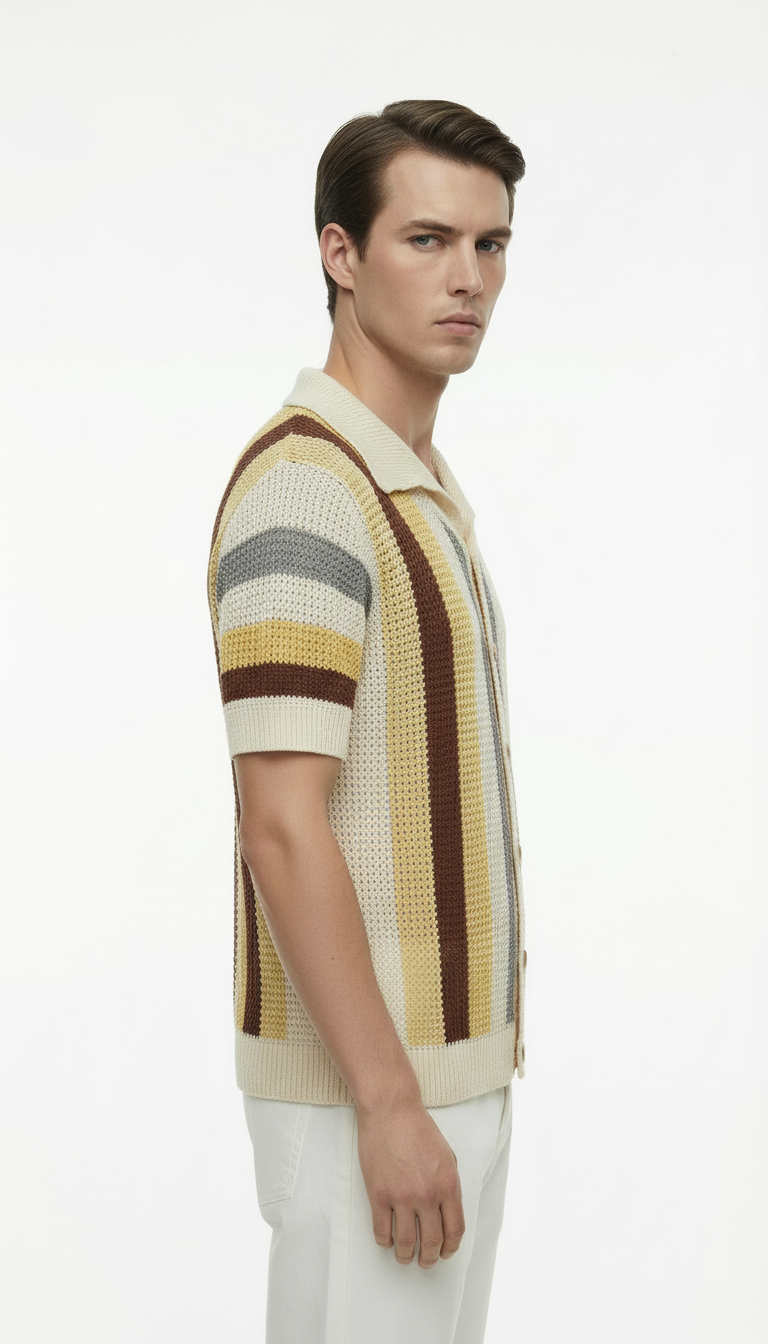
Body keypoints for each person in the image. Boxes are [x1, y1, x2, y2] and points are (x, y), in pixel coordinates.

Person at [207, 98, 528, 1344]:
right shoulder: (306, 485)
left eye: (492, 246)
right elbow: (279, 825)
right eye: (428, 240)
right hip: (368, 1094)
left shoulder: (414, 482)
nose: (469, 280)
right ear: (340, 253)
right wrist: (389, 1102)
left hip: (451, 1080)